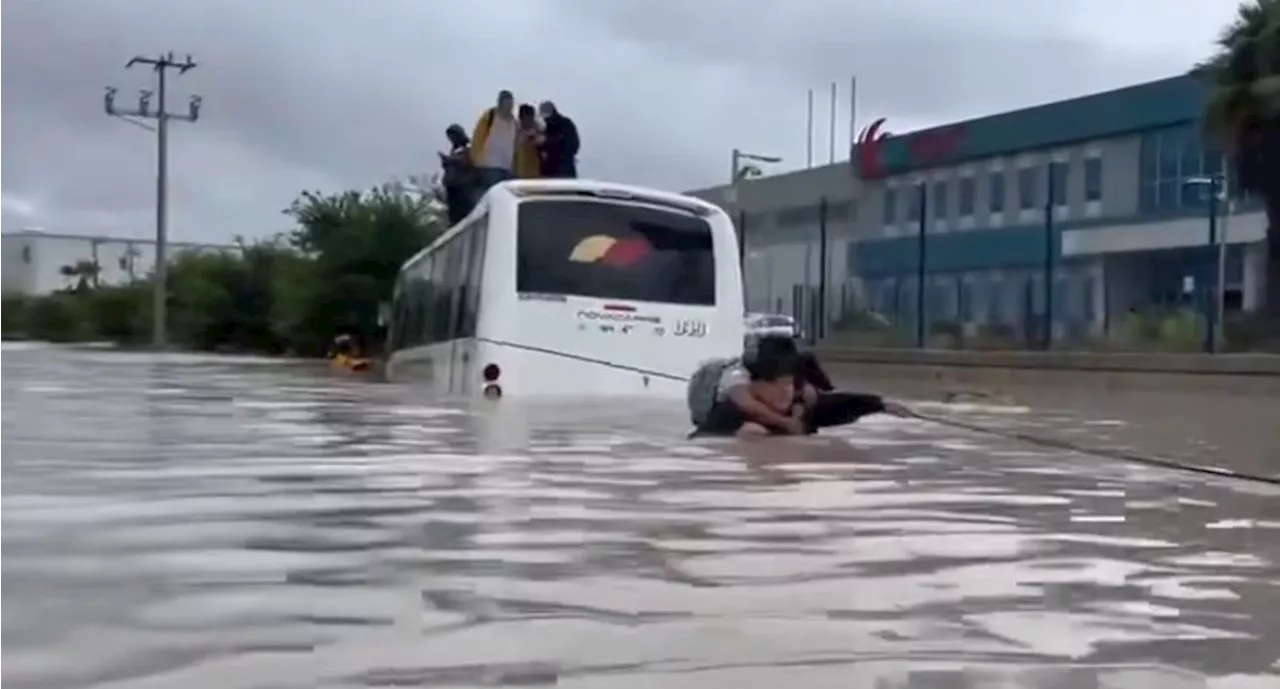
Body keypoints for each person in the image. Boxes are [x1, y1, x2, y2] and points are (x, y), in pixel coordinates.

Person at [687, 334, 913, 438]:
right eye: (779, 385)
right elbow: (699, 439)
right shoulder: (731, 409)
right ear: (755, 385)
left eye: (791, 384)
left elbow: (839, 405)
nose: (787, 392)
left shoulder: (800, 402)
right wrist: (734, 438)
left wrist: (880, 404)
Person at [469, 90, 520, 191]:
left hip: (506, 166)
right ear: (500, 103)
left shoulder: (514, 122)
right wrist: (475, 159)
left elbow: (516, 144)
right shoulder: (490, 116)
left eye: (511, 104)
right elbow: (477, 136)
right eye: (507, 104)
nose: (509, 107)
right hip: (489, 165)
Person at [439, 124, 474, 225]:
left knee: (462, 213)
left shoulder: (468, 147)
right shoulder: (453, 150)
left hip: (463, 186)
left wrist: (452, 160)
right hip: (452, 185)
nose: (451, 139)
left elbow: (469, 161)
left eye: (453, 136)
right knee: (453, 215)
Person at [537, 100, 579, 178]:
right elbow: (575, 146)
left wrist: (546, 142)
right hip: (564, 170)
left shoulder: (563, 125)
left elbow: (571, 145)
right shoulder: (567, 123)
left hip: (558, 170)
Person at [514, 104, 543, 178]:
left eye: (531, 118)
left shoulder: (539, 130)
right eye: (526, 118)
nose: (529, 121)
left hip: (536, 174)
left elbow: (542, 142)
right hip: (518, 173)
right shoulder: (515, 131)